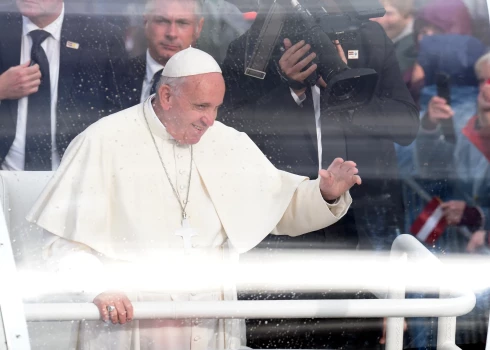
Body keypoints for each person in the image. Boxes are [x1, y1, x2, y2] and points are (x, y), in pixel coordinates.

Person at [27, 47, 360, 349]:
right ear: (167, 95)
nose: (210, 120)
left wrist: (324, 194)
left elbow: (278, 203)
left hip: (209, 317)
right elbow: (62, 239)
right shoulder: (102, 141)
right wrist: (98, 287)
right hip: (129, 317)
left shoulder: (226, 141)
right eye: (201, 106)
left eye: (216, 107)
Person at [220, 5, 419, 348]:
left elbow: (406, 125)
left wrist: (343, 91)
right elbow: (227, 131)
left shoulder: (367, 38)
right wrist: (288, 89)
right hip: (280, 222)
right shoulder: (253, 48)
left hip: (362, 210)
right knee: (280, 335)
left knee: (362, 333)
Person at [0, 0, 126, 171]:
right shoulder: (3, 24)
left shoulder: (100, 37)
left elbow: (119, 114)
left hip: (74, 177)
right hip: (5, 174)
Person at [114, 0, 205, 110]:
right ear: (145, 21)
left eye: (182, 23)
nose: (172, 33)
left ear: (198, 28)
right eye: (162, 21)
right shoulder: (111, 75)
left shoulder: (217, 83)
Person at [372, 0, 417, 85]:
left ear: (408, 16)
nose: (380, 20)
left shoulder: (414, 45)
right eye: (376, 13)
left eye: (389, 13)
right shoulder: (391, 35)